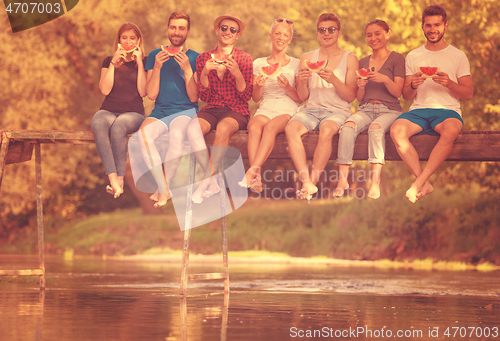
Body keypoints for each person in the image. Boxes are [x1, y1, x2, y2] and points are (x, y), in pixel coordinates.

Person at [390, 5, 473, 203]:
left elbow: (468, 93)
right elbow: (407, 96)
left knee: (451, 130)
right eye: (429, 25)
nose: (433, 29)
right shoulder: (413, 56)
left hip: (447, 111)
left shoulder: (458, 56)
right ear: (422, 27)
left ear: (445, 26)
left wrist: (449, 83)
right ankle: (423, 182)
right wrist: (413, 84)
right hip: (418, 111)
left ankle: (418, 183)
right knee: (396, 130)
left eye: (437, 25)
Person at [285, 13, 358, 201]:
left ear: (339, 33)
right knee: (291, 129)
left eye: (331, 29)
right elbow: (302, 97)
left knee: (327, 130)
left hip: (337, 112)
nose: (327, 33)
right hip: (310, 110)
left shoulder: (350, 58)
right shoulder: (307, 58)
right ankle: (306, 181)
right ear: (318, 34)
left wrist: (334, 80)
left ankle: (312, 182)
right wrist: (300, 82)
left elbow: (351, 96)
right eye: (322, 30)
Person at [187, 13, 253, 203]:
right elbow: (204, 96)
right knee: (193, 129)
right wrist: (205, 73)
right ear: (217, 30)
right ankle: (214, 180)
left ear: (237, 35)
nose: (227, 32)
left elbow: (246, 96)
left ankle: (203, 183)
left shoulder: (244, 58)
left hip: (236, 109)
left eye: (233, 30)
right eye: (224, 28)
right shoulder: (203, 59)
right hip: (212, 107)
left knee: (223, 129)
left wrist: (237, 74)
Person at [335, 19, 405, 199]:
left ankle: (375, 182)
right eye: (369, 35)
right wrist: (362, 86)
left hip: (390, 109)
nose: (373, 38)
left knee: (375, 130)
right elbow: (359, 98)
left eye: (377, 34)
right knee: (347, 127)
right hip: (365, 109)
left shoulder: (397, 58)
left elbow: (398, 92)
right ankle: (342, 179)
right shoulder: (363, 61)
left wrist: (384, 79)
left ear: (387, 34)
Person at [138, 12, 199, 207]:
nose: (176, 32)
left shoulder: (196, 57)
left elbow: (194, 97)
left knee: (177, 136)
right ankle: (164, 188)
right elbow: (151, 94)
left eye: (181, 28)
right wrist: (156, 67)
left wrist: (188, 69)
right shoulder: (155, 55)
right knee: (143, 137)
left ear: (188, 31)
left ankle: (163, 189)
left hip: (186, 111)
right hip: (160, 111)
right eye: (173, 27)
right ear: (167, 29)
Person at [238, 18, 301, 192]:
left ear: (289, 39)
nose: (281, 37)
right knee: (254, 126)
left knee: (271, 127)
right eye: (278, 33)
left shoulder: (296, 63)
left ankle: (252, 171)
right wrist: (258, 84)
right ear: (271, 35)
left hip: (287, 107)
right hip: (266, 106)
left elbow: (300, 98)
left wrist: (288, 88)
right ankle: (256, 176)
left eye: (285, 35)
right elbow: (256, 98)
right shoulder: (258, 63)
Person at [91, 22, 147, 198]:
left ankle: (120, 179)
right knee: (98, 122)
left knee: (118, 127)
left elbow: (143, 92)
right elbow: (105, 90)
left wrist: (138, 62)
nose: (128, 42)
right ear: (118, 40)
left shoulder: (144, 62)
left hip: (133, 113)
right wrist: (114, 64)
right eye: (124, 38)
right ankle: (113, 178)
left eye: (132, 38)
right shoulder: (108, 60)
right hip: (109, 109)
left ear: (138, 41)